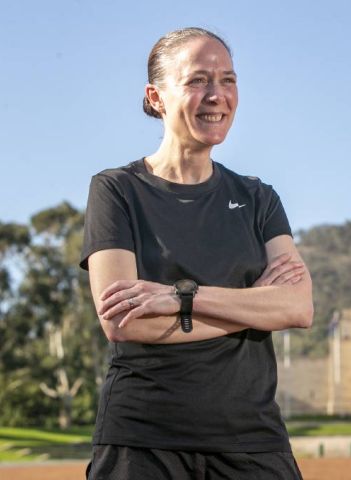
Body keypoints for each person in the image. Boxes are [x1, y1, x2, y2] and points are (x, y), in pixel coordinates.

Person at [80, 27, 313, 479]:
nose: (217, 95)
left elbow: (298, 306)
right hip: (142, 442)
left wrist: (181, 299)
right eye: (198, 81)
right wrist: (255, 306)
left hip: (252, 442)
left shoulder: (257, 198)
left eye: (228, 80)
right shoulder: (116, 191)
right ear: (156, 97)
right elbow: (123, 321)